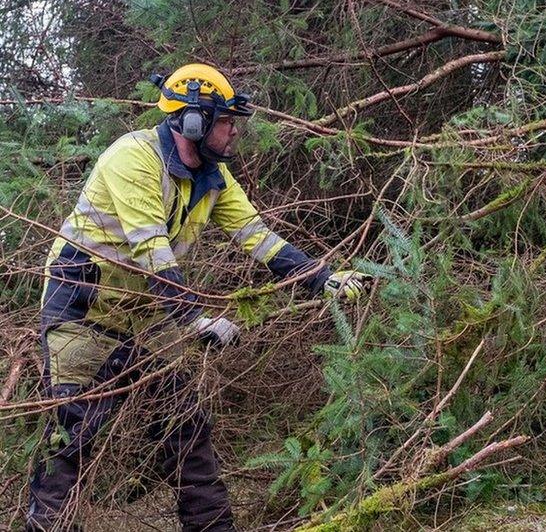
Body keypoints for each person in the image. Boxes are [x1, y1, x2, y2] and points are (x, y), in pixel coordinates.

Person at [26, 63, 370, 531]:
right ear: (194, 121)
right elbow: (151, 251)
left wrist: (322, 278)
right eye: (227, 122)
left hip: (145, 312)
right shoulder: (133, 158)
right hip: (83, 306)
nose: (234, 132)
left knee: (185, 420)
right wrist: (194, 319)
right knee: (72, 435)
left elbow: (257, 237)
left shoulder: (212, 176)